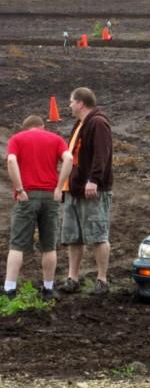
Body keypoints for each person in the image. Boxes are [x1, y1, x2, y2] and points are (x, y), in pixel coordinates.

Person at [4, 115, 73, 299]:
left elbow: (11, 161)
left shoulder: (17, 139)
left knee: (17, 245)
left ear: (25, 128)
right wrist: (59, 187)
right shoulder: (56, 139)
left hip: (27, 196)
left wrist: (19, 189)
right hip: (50, 196)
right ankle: (48, 289)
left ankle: (10, 289)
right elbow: (69, 158)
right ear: (42, 127)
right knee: (49, 246)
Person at [60, 87, 114, 295]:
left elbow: (102, 153)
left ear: (81, 103)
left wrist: (94, 180)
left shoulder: (98, 123)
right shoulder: (81, 124)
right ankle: (73, 278)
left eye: (72, 101)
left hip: (92, 189)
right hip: (75, 189)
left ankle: (102, 280)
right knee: (74, 236)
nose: (70, 105)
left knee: (98, 234)